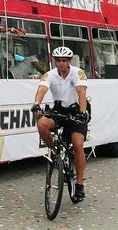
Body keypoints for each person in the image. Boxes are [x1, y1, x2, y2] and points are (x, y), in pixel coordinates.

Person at [31, 46, 89, 202]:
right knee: (42, 124)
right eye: (58, 61)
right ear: (55, 61)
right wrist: (37, 103)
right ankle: (54, 150)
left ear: (69, 61)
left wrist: (83, 112)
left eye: (64, 60)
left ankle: (79, 184)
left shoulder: (78, 73)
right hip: (59, 110)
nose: (61, 64)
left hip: (76, 110)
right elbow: (42, 89)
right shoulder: (49, 74)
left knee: (77, 144)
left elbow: (81, 91)